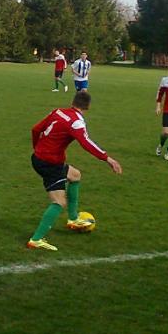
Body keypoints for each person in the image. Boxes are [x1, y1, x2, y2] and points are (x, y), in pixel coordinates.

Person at [26, 91, 122, 251]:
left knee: (75, 175)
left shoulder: (58, 111)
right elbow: (86, 143)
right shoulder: (77, 122)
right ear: (88, 106)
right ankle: (35, 239)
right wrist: (108, 158)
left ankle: (73, 219)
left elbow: (35, 129)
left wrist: (37, 148)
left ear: (73, 101)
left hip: (38, 157)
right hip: (50, 164)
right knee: (59, 202)